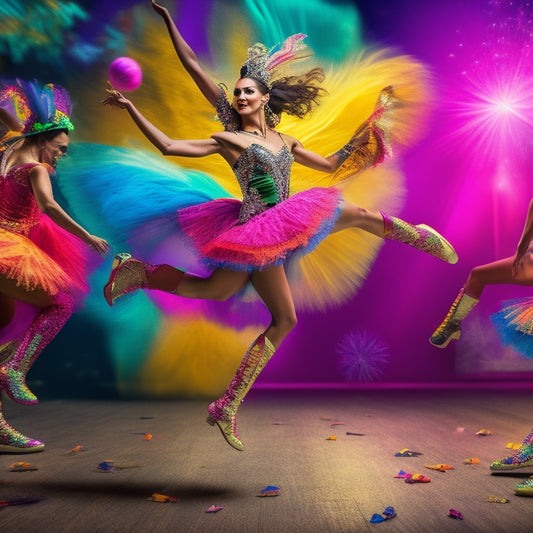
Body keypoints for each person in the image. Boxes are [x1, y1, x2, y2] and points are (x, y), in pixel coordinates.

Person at [101, 1, 457, 452]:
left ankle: (422, 236)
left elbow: (329, 166)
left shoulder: (285, 139)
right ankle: (224, 399)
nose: (241, 96)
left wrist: (361, 134)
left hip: (293, 217)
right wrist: (138, 95)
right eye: (238, 93)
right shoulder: (229, 138)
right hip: (256, 232)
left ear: (265, 97)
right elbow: (172, 141)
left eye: (250, 91)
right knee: (264, 312)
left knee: (358, 216)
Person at [0, 79, 110, 452]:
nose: (61, 155)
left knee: (2, 331)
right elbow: (48, 206)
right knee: (61, 303)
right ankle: (15, 369)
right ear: (44, 140)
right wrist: (88, 236)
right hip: (7, 250)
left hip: (7, 245)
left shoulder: (7, 153)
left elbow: (17, 125)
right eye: (60, 148)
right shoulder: (36, 169)